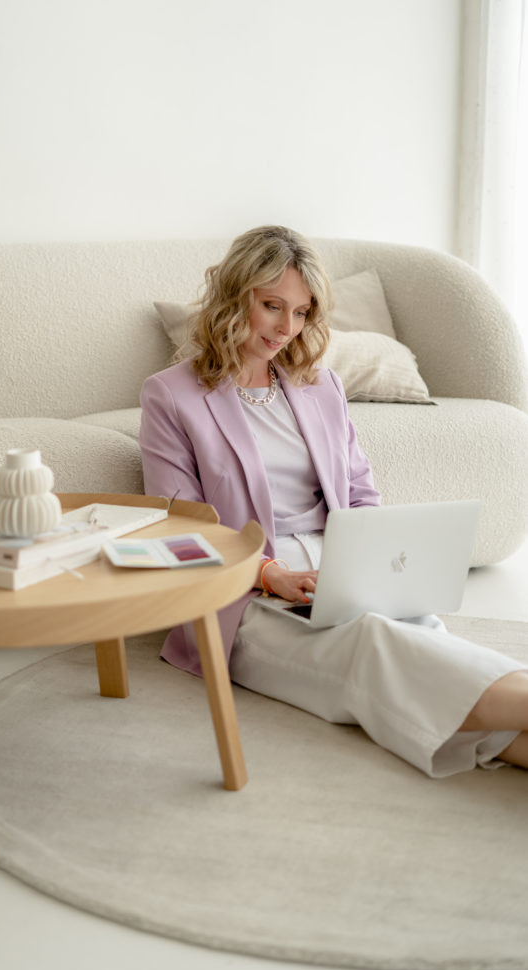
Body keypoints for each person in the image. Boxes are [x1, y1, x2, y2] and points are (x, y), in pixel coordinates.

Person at [139, 224, 528, 777]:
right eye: (272, 306)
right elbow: (180, 527)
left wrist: (371, 562)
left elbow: (360, 492)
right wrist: (269, 573)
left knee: (416, 633)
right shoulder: (171, 394)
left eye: (301, 312)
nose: (287, 328)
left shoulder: (320, 386)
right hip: (246, 594)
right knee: (373, 645)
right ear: (234, 295)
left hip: (341, 571)